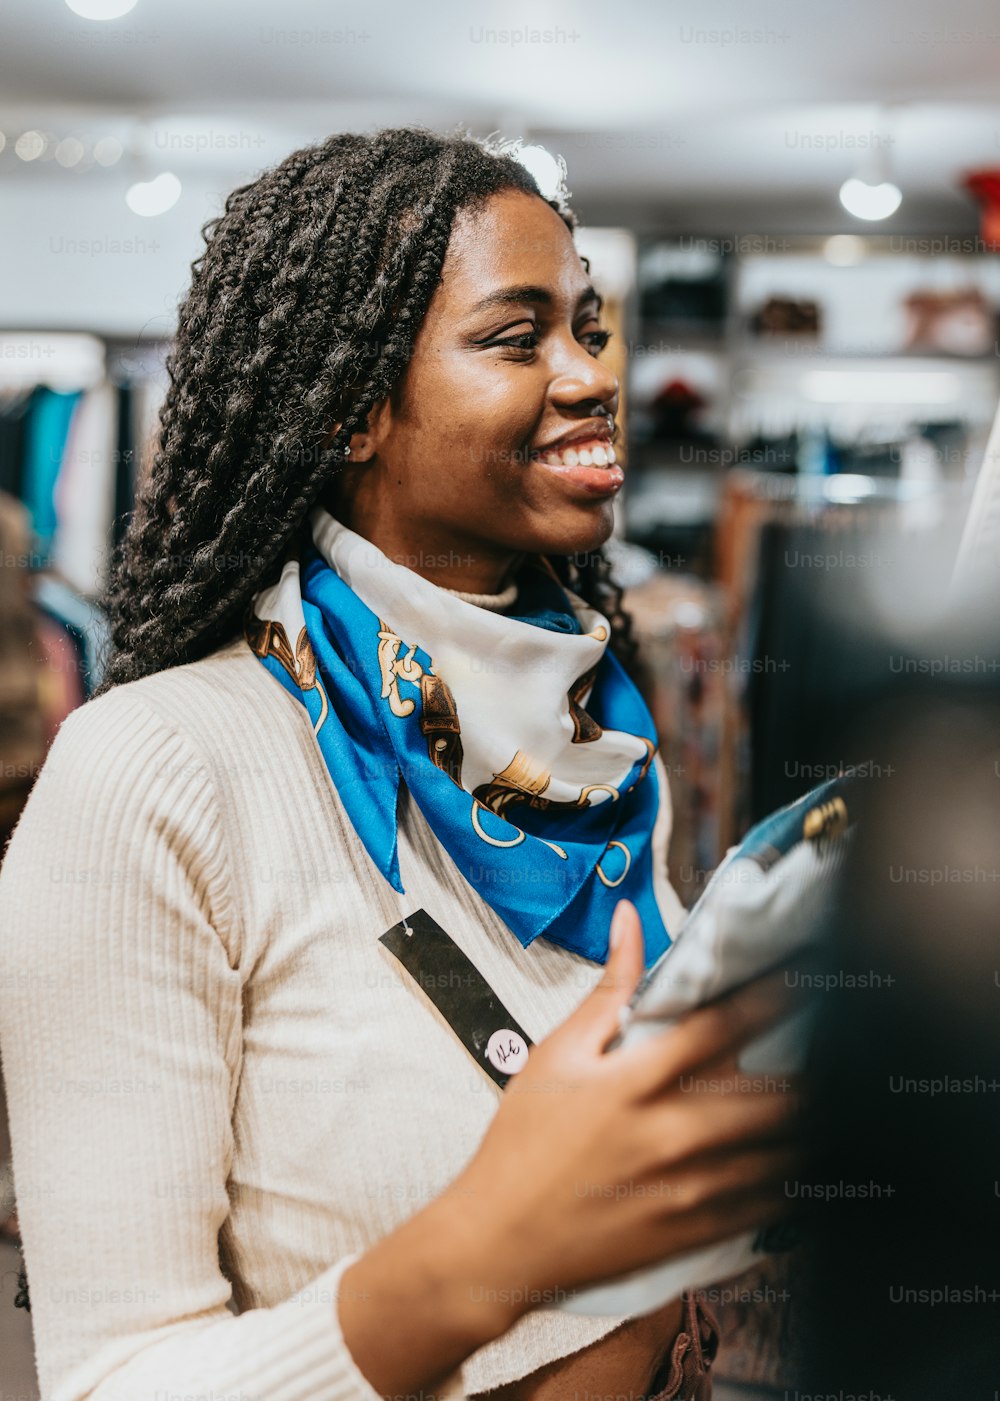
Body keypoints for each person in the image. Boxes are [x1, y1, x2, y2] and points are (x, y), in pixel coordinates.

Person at [0, 128, 801, 1401]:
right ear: (349, 407)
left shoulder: (590, 737)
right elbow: (114, 1381)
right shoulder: (158, 771)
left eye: (587, 329)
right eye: (514, 335)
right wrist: (484, 1249)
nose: (590, 374)